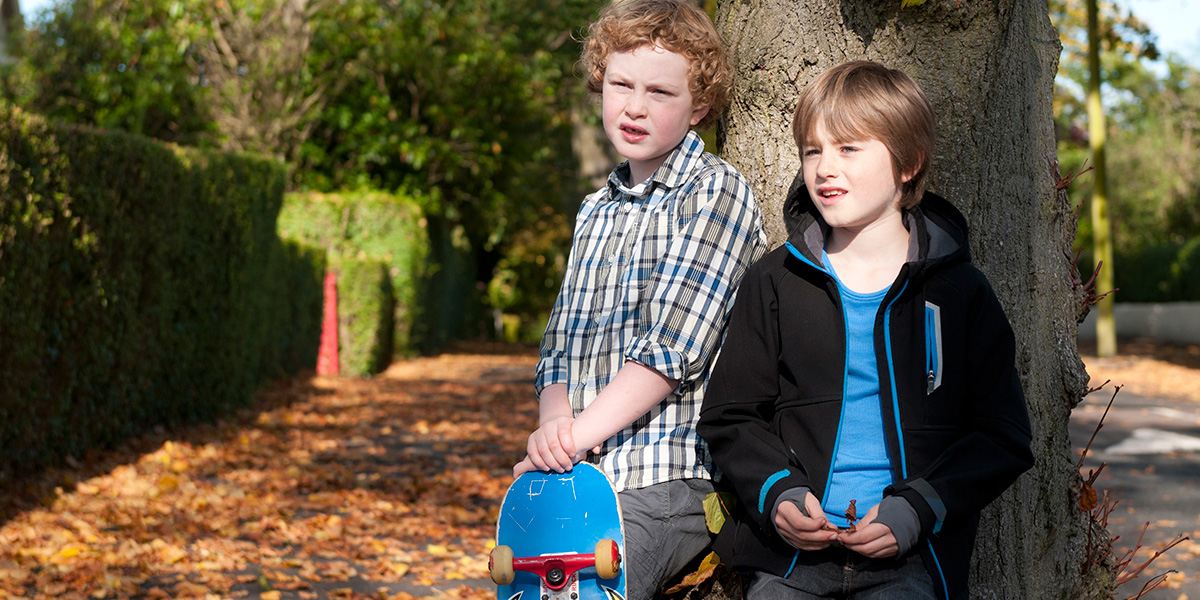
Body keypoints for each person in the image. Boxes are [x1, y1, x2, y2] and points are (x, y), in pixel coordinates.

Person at [696, 61, 1035, 600]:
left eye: (849, 148)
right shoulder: (775, 279)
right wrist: (778, 495)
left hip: (912, 562)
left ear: (909, 163)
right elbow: (729, 415)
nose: (825, 168)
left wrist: (920, 507)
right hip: (790, 565)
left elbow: (1003, 436)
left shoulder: (959, 292)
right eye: (813, 150)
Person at [513, 1, 768, 598]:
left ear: (699, 107)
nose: (634, 106)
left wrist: (573, 438)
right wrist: (555, 428)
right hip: (577, 468)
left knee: (585, 588)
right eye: (621, 84)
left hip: (669, 477)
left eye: (660, 92)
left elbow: (671, 350)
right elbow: (560, 342)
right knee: (526, 581)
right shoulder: (593, 211)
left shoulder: (713, 193)